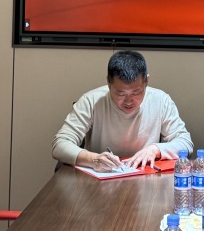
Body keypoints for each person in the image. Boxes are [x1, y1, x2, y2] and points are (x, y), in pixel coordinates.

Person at [52, 50, 193, 172]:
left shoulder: (161, 100)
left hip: (145, 178)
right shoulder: (91, 101)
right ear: (108, 82)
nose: (129, 101)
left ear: (146, 81)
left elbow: (185, 143)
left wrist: (155, 150)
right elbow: (60, 144)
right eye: (120, 93)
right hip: (100, 180)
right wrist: (94, 160)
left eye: (136, 92)